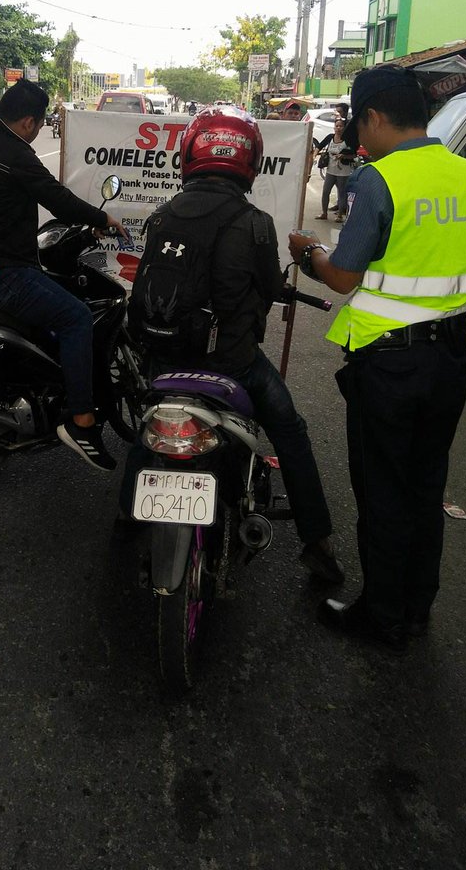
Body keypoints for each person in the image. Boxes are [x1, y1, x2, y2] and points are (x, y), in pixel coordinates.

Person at [288, 66, 466, 651]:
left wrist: (308, 253)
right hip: (453, 356)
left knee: (383, 488)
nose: (359, 136)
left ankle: (381, 616)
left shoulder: (380, 181)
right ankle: (415, 605)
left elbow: (343, 277)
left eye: (360, 123)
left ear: (376, 117)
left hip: (391, 363)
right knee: (426, 485)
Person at [122, 105, 344, 584]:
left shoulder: (161, 216)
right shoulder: (257, 223)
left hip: (165, 362)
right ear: (250, 161)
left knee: (148, 431)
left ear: (190, 155)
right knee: (289, 429)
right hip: (231, 365)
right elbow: (266, 288)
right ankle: (318, 543)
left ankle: (125, 519)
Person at [0, 79, 130, 472]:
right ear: (28, 121)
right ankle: (82, 422)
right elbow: (55, 196)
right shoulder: (14, 151)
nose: (40, 130)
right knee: (76, 317)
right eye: (41, 123)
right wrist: (102, 217)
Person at [316, 117, 355, 221]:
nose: (338, 128)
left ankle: (340, 215)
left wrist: (343, 156)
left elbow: (353, 155)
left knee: (342, 193)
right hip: (330, 170)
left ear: (344, 128)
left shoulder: (348, 140)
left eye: (340, 126)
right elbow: (320, 145)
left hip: (343, 172)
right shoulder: (330, 137)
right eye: (336, 126)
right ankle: (324, 213)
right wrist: (314, 154)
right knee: (325, 192)